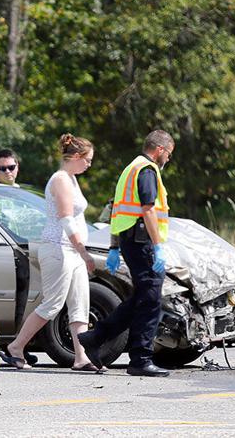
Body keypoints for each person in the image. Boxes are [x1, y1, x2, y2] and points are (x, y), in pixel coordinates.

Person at [0, 134, 100, 372]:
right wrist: (84, 252)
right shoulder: (61, 180)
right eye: (88, 160)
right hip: (58, 249)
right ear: (75, 157)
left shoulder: (72, 179)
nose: (89, 164)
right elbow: (66, 219)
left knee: (80, 304)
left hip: (71, 251)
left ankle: (81, 357)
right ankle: (15, 348)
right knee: (53, 304)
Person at [78, 130, 175, 377]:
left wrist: (113, 247)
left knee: (144, 297)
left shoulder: (130, 169)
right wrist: (157, 245)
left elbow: (115, 209)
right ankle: (140, 359)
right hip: (142, 242)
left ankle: (95, 337)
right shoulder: (147, 170)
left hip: (131, 241)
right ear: (160, 150)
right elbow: (148, 209)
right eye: (169, 154)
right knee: (151, 299)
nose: (168, 160)